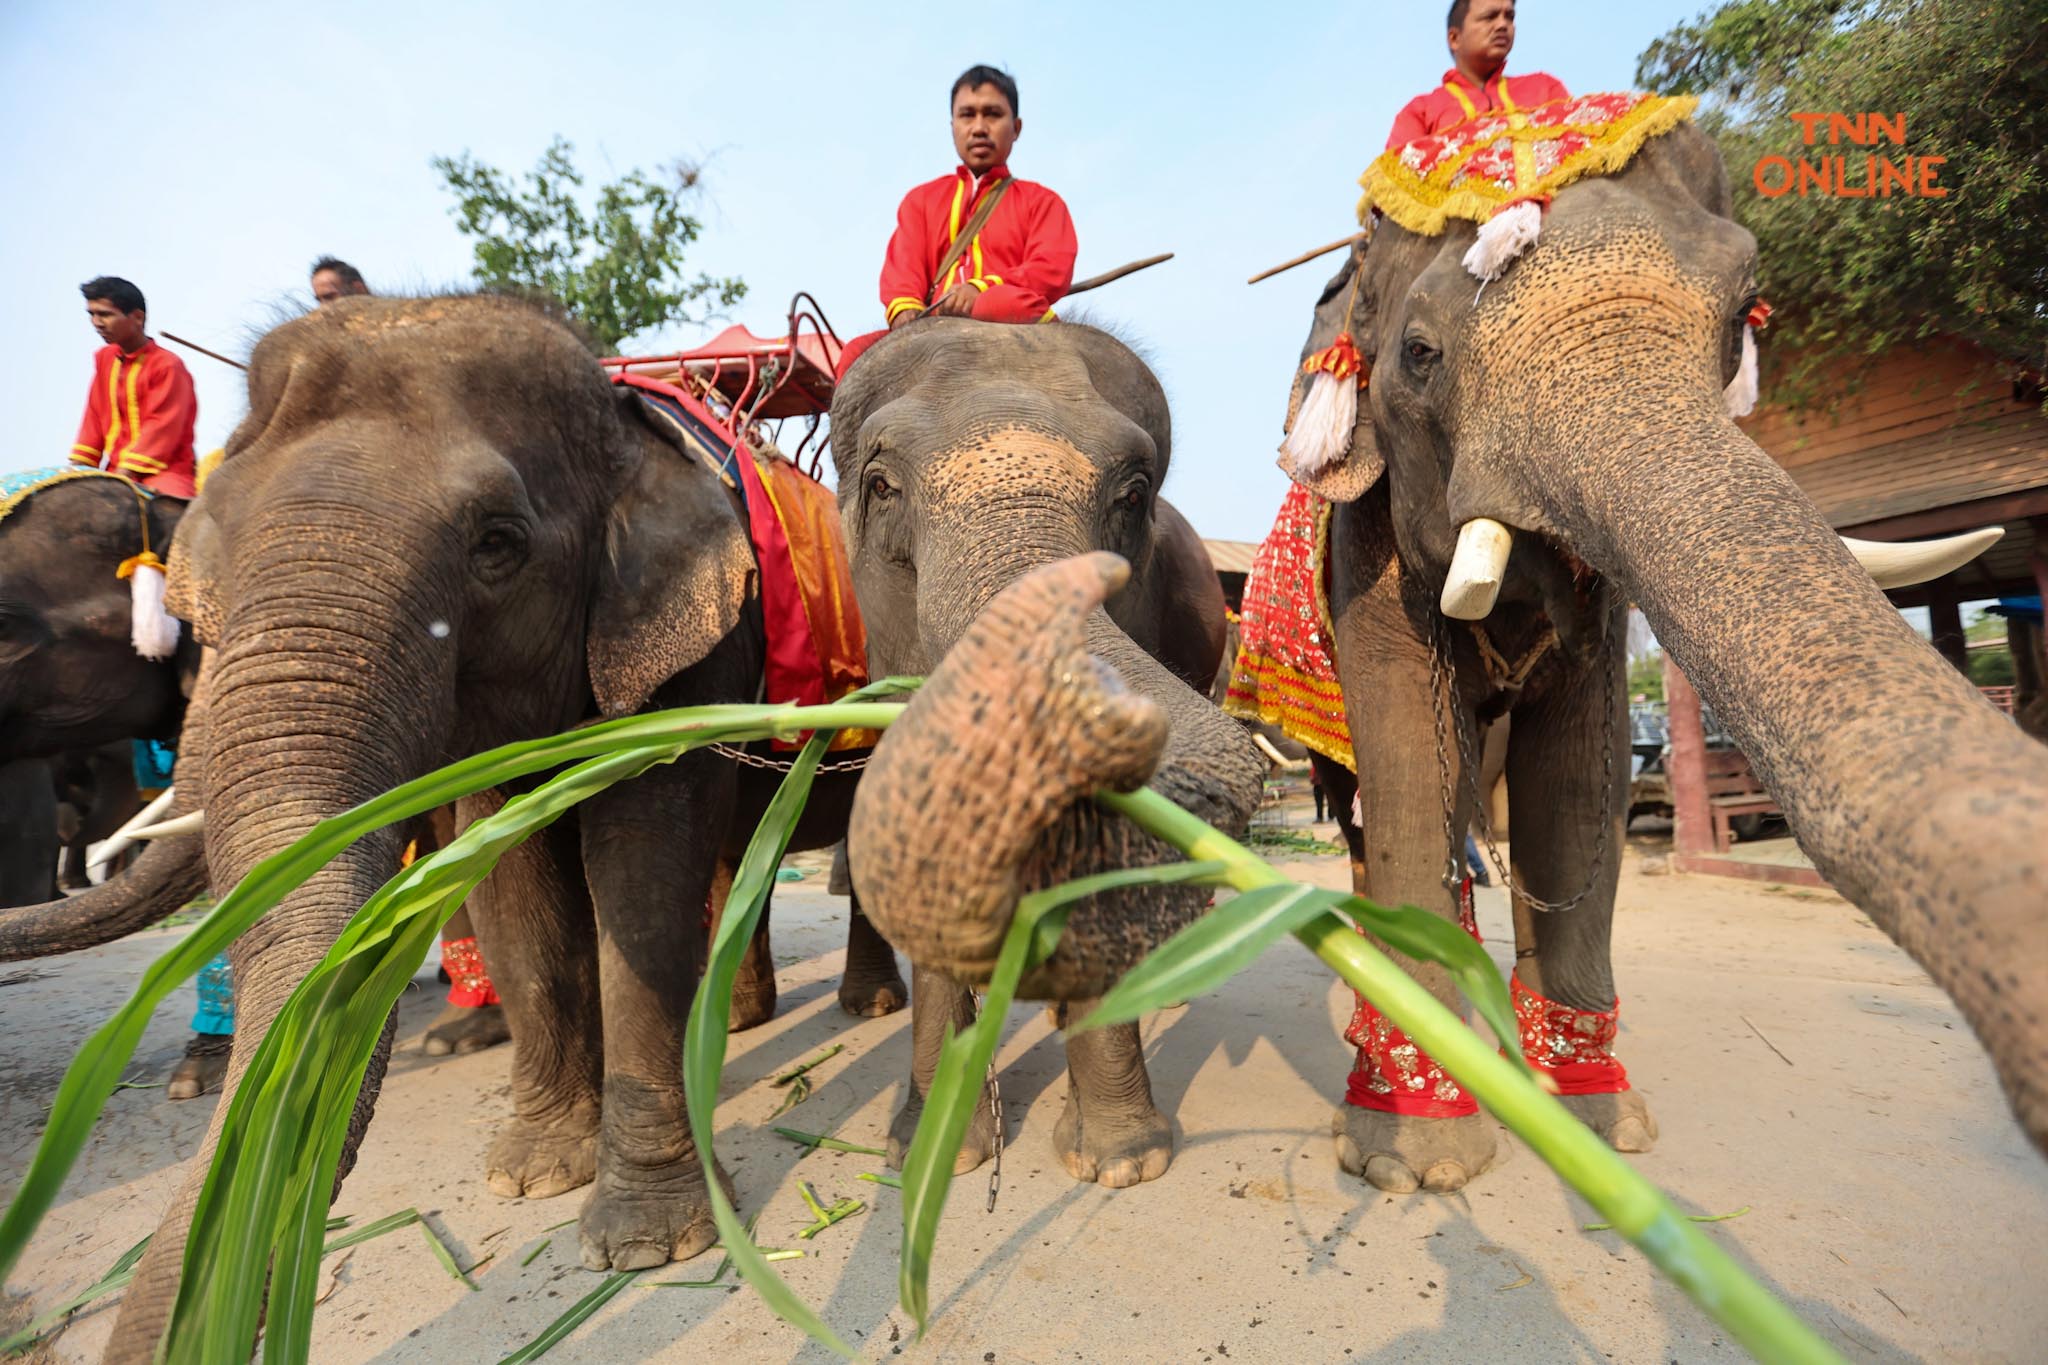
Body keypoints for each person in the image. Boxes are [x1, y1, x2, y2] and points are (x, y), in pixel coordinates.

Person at [879, 64, 1077, 329]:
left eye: (993, 114)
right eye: (967, 115)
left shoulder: (1043, 203)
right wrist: (906, 309)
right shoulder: (920, 202)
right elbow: (903, 271)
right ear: (953, 126)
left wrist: (980, 289)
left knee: (997, 302)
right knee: (855, 352)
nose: (979, 128)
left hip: (1007, 316)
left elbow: (1050, 269)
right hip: (933, 330)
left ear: (1016, 128)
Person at [69, 277, 198, 500]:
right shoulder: (105, 359)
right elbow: (94, 416)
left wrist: (125, 474)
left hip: (165, 471)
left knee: (179, 521)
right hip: (115, 470)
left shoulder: (168, 365)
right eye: (92, 314)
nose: (97, 322)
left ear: (137, 317)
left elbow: (163, 426)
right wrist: (78, 468)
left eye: (106, 315)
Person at [1385, 0, 1569, 149]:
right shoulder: (1420, 112)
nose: (1502, 25)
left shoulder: (1545, 88)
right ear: (1454, 38)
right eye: (1489, 17)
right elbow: (1396, 182)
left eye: (1509, 17)